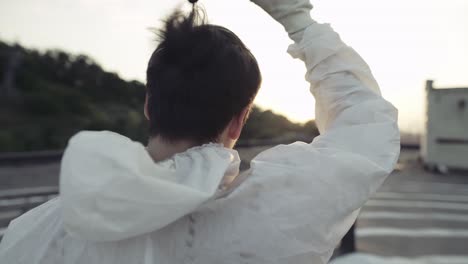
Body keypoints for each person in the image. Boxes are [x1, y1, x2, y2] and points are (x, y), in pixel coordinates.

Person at [0, 0, 400, 263]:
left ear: (148, 105)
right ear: (239, 120)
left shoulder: (34, 230)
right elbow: (366, 125)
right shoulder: (271, 217)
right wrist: (298, 19)